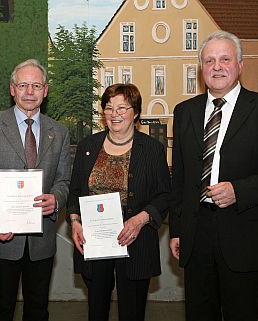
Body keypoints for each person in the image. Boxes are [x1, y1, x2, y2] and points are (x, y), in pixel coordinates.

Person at [169, 30, 258, 321]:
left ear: (240, 65)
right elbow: (179, 177)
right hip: (196, 235)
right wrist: (177, 229)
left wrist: (239, 191)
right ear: (201, 67)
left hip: (244, 234)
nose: (217, 66)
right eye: (209, 60)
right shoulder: (184, 112)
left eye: (225, 59)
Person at [0, 59, 71, 321]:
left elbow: (64, 181)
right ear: (12, 89)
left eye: (36, 85)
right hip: (2, 238)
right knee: (2, 309)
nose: (29, 91)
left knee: (38, 310)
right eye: (23, 85)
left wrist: (56, 200)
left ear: (45, 90)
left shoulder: (59, 132)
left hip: (41, 240)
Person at [67, 83, 171, 321]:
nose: (115, 114)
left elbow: (165, 195)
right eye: (109, 107)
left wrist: (140, 220)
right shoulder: (87, 147)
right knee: (96, 310)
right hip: (94, 242)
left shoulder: (152, 149)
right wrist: (74, 221)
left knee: (132, 312)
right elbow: (74, 193)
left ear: (135, 112)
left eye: (122, 108)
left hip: (136, 239)